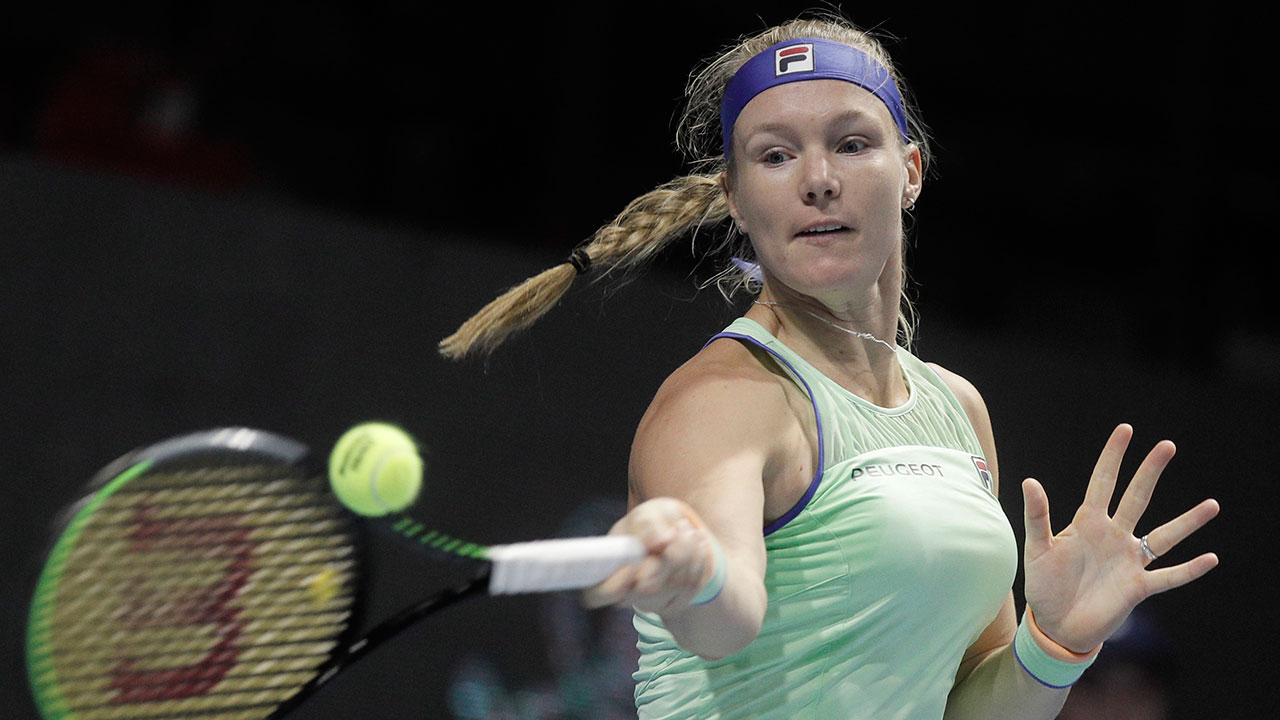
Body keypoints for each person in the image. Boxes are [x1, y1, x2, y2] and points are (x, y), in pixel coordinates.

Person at [439, 11, 1220, 719]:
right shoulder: (724, 399)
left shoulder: (957, 409)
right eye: (776, 155)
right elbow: (726, 620)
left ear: (910, 171)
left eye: (851, 144)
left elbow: (970, 709)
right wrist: (696, 576)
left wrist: (1053, 647)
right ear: (736, 197)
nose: (818, 179)